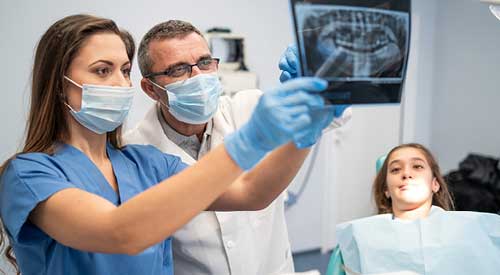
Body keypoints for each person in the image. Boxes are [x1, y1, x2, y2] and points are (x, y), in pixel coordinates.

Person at [0, 14, 340, 275]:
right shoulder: (28, 174)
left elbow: (252, 193)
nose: (120, 83)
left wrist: (306, 132)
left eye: (124, 70)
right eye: (102, 71)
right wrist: (249, 143)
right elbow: (120, 232)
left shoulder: (146, 162)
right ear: (59, 84)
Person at [123, 20, 352, 275]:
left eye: (205, 62)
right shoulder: (135, 152)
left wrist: (323, 84)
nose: (199, 76)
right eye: (179, 70)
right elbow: (252, 193)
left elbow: (334, 116)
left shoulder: (248, 108)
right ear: (150, 89)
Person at [326, 143, 500, 275]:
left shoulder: (474, 229)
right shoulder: (359, 238)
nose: (406, 174)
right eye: (395, 169)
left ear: (435, 184)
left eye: (417, 166)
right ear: (386, 189)